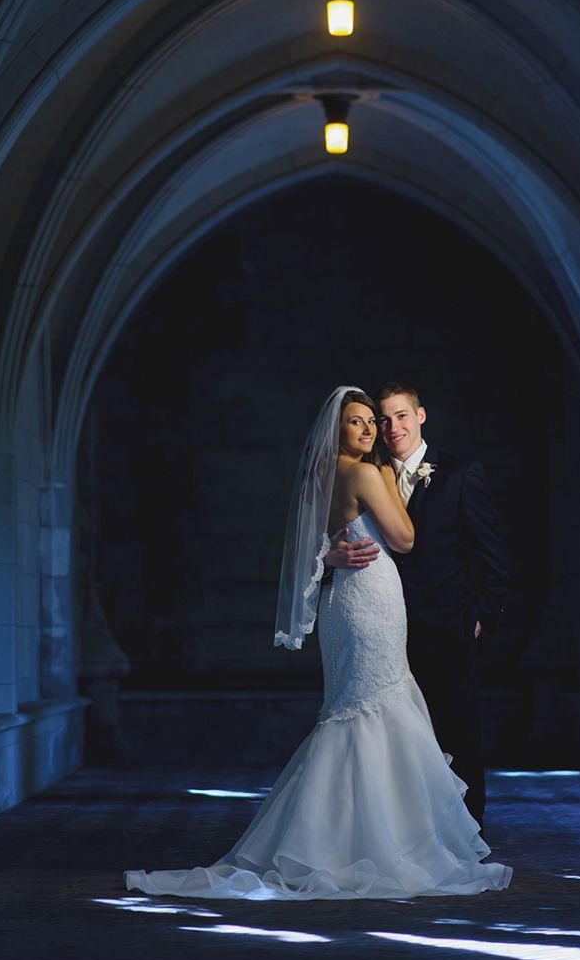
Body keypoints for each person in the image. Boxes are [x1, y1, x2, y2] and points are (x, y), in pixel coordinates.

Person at [124, 385, 512, 900]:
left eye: (375, 420)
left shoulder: (327, 473)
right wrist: (384, 484)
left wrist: (329, 558)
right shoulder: (365, 471)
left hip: (353, 606)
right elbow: (407, 539)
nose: (373, 428)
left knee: (358, 715)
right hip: (372, 606)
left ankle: (338, 837)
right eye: (359, 421)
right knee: (379, 715)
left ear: (417, 417)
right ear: (338, 429)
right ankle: (388, 844)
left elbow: (319, 543)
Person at [325, 383, 508, 829]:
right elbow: (325, 540)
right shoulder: (364, 470)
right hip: (380, 626)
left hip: (446, 627)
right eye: (381, 419)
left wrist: (480, 617)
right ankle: (403, 832)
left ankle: (467, 834)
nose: (390, 427)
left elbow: (493, 555)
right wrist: (329, 557)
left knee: (456, 734)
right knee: (397, 736)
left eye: (399, 416)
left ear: (420, 416)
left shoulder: (461, 474)